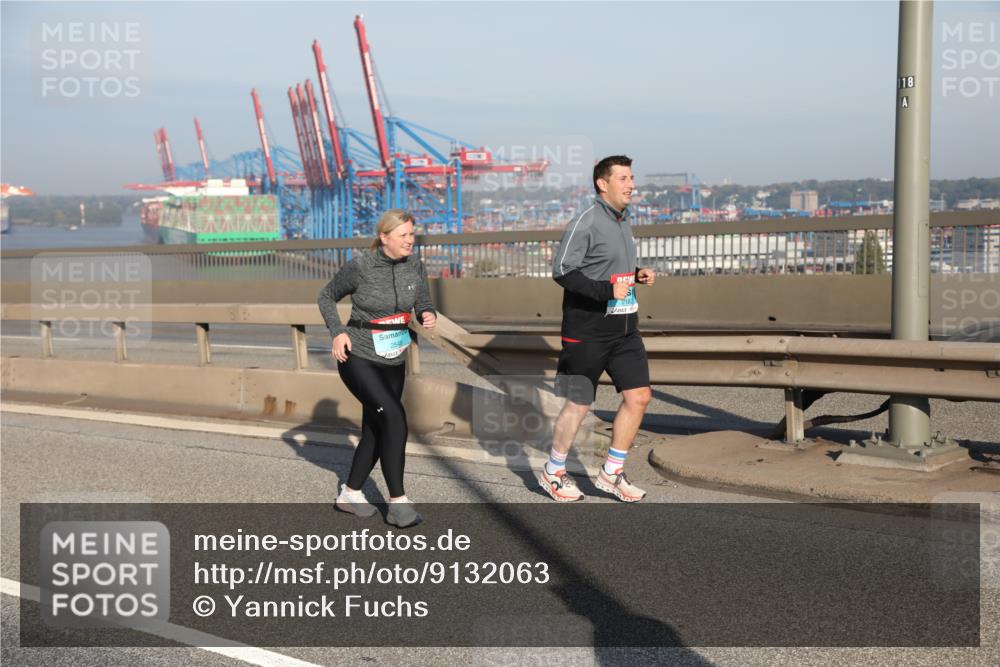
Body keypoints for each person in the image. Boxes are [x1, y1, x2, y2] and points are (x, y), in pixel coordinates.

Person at [542, 155, 655, 503]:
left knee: (639, 397)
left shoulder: (623, 221)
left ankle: (611, 473)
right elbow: (562, 270)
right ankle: (554, 471)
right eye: (622, 178)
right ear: (602, 184)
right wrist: (607, 291)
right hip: (586, 329)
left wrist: (636, 274)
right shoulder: (587, 220)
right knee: (578, 404)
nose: (630, 184)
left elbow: (607, 266)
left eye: (631, 177)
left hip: (624, 328)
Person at [317, 209, 437, 527]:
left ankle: (351, 493)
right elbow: (326, 296)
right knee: (395, 417)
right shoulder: (361, 266)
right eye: (404, 236)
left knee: (375, 428)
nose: (411, 240)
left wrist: (427, 314)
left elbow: (423, 300)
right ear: (384, 238)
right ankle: (398, 503)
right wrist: (337, 331)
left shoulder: (415, 265)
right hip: (358, 355)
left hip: (394, 357)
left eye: (412, 234)